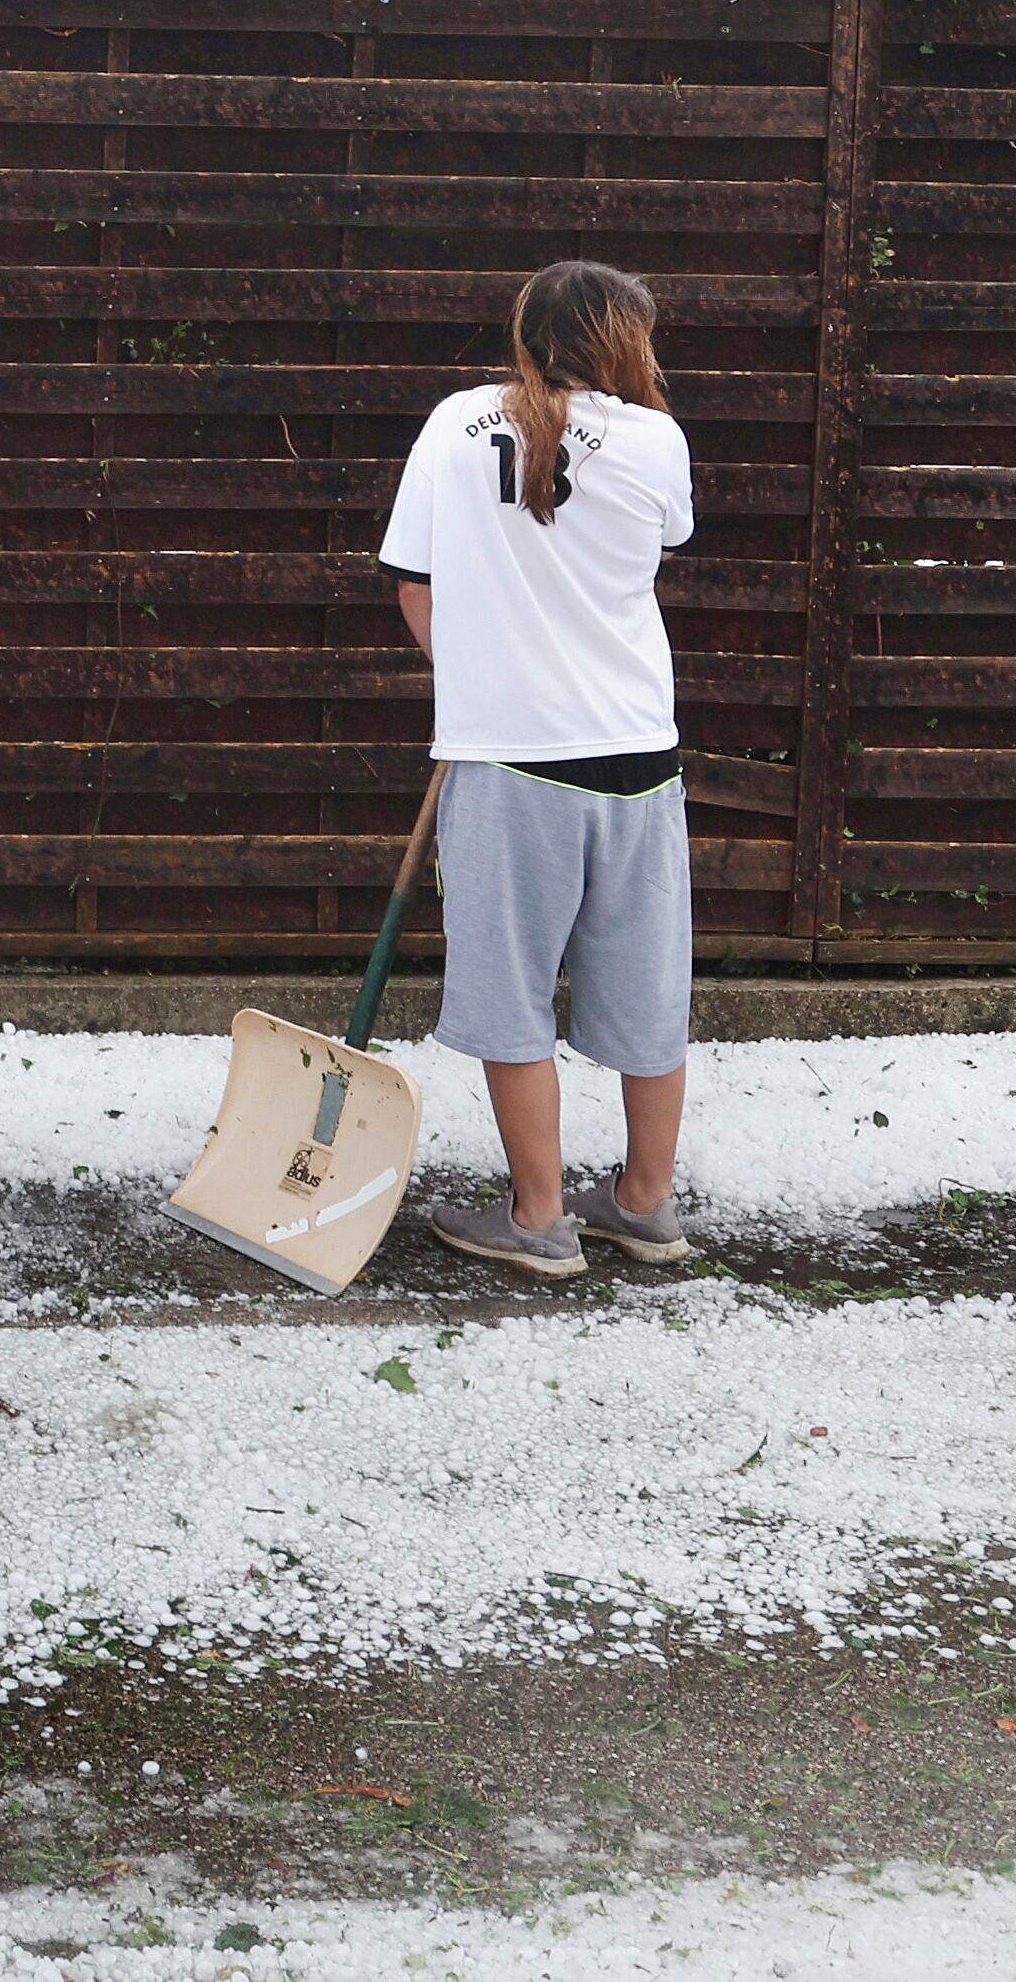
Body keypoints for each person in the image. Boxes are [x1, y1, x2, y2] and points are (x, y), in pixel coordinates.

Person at [375, 260, 700, 1279]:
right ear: (628, 342)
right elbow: (657, 548)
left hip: (512, 756)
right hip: (640, 750)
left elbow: (415, 584)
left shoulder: (453, 422)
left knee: (509, 989)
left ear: (527, 334)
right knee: (648, 983)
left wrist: (482, 683)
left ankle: (540, 1215)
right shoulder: (658, 440)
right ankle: (645, 1204)